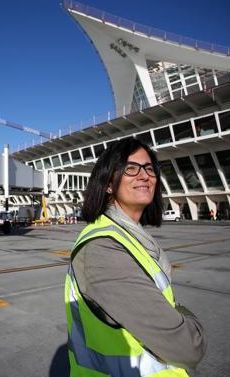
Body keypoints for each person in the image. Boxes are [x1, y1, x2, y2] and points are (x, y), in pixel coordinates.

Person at [65, 138, 206, 376]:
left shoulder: (130, 237)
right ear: (108, 183)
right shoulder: (103, 250)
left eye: (149, 168)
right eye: (131, 168)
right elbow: (187, 347)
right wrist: (186, 317)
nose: (144, 175)